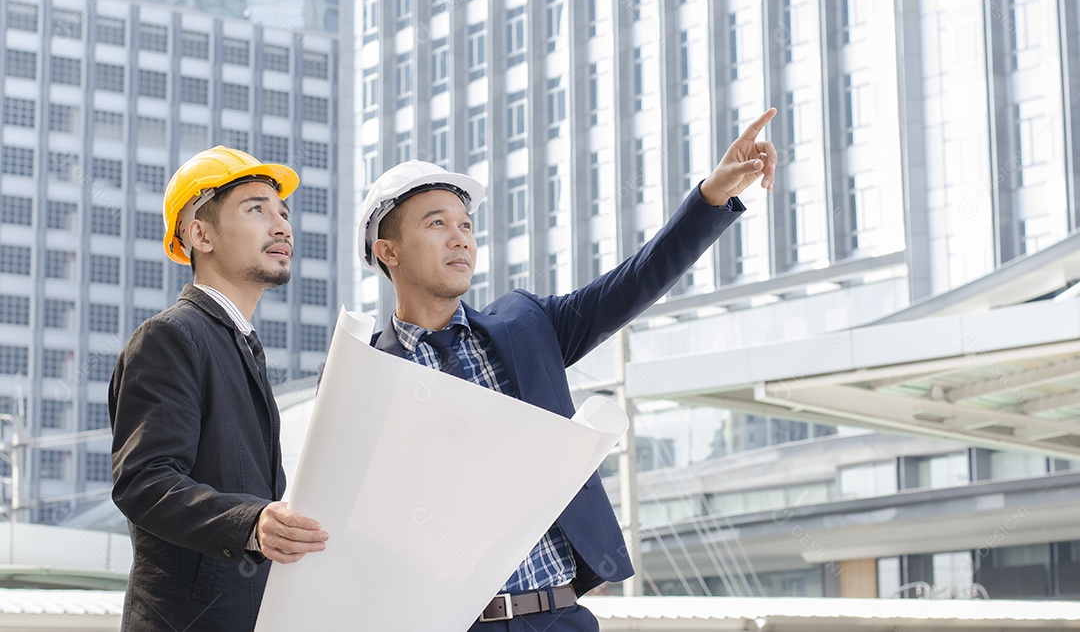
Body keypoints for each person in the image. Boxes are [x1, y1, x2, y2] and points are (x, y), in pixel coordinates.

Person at [357, 109, 778, 630]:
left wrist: (710, 198)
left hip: (557, 615)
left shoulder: (527, 326)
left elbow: (634, 281)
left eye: (465, 225)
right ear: (387, 250)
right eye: (437, 223)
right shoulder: (368, 375)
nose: (460, 237)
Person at [109, 146, 329, 631]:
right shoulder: (170, 337)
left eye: (283, 212)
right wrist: (251, 522)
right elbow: (144, 481)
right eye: (256, 209)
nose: (281, 226)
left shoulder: (239, 345)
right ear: (200, 234)